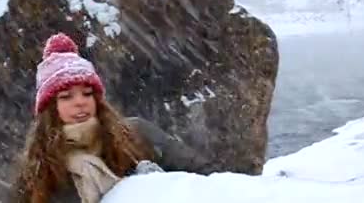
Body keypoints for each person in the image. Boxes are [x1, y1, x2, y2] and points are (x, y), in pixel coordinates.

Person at [11, 32, 218, 203]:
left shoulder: (136, 134)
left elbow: (210, 180)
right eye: (66, 97)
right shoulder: (40, 173)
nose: (80, 102)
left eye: (87, 93)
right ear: (51, 109)